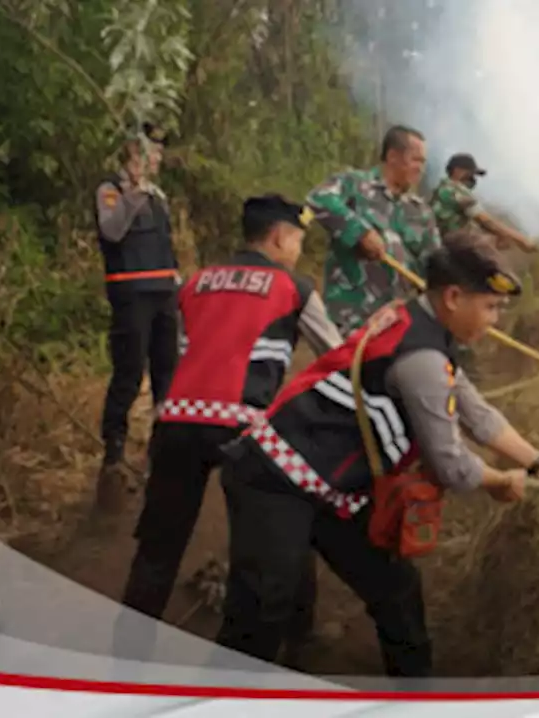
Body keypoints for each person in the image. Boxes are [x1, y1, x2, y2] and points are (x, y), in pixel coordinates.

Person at [213, 234, 539, 677]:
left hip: (329, 486)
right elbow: (451, 465)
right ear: (454, 297)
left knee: (395, 589)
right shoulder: (420, 356)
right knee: (260, 612)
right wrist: (501, 481)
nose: (495, 321)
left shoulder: (419, 323)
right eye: (491, 307)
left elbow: (476, 412)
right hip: (275, 477)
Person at [112, 195, 346, 665]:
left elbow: (185, 350)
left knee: (158, 548)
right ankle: (297, 636)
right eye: (298, 240)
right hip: (244, 429)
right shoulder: (293, 288)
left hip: (177, 420)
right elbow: (336, 357)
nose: (299, 250)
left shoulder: (195, 283)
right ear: (280, 236)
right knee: (284, 522)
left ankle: (126, 658)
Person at [93, 122, 181, 513]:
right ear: (134, 153)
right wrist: (133, 194)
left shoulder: (159, 197)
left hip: (164, 295)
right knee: (129, 374)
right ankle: (113, 456)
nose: (159, 158)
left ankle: (165, 451)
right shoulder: (111, 191)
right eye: (153, 151)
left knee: (168, 374)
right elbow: (112, 232)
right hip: (131, 296)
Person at [306, 125, 441, 336]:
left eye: (423, 162)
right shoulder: (354, 185)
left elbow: (434, 266)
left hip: (395, 323)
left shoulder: (421, 212)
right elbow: (318, 198)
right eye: (415, 160)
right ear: (393, 156)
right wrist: (360, 233)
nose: (420, 168)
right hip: (350, 317)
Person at [430, 153, 537, 253]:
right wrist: (521, 240)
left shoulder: (439, 189)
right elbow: (485, 221)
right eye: (470, 174)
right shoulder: (456, 190)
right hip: (444, 248)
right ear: (457, 171)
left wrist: (497, 239)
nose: (473, 179)